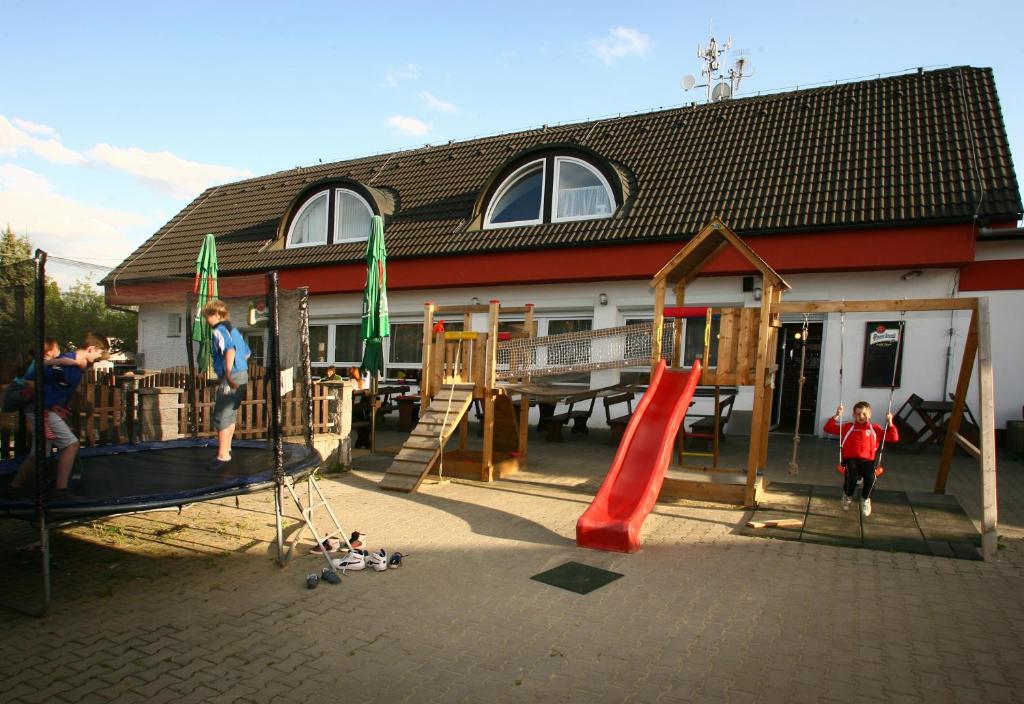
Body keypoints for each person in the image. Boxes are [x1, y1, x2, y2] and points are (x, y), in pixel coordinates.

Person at [5, 333, 110, 500]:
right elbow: (31, 379)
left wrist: (56, 406)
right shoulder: (64, 362)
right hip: (40, 410)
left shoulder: (77, 365)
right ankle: (61, 491)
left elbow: (55, 388)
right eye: (98, 354)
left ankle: (13, 487)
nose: (98, 359)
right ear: (91, 349)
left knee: (38, 453)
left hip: (46, 409)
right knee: (71, 445)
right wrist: (45, 405)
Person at [823, 401, 898, 517]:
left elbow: (894, 438)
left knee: (871, 477)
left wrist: (890, 422)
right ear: (854, 415)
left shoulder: (875, 429)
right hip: (850, 459)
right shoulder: (848, 427)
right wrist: (837, 415)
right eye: (858, 414)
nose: (861, 417)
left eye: (864, 414)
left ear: (870, 414)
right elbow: (828, 428)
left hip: (867, 461)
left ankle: (865, 499)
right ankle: (848, 496)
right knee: (852, 476)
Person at [204, 300, 250, 470]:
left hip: (232, 376)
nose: (206, 320)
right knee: (230, 413)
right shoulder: (234, 330)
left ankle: (223, 456)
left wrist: (229, 374)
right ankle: (227, 448)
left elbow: (230, 350)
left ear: (216, 314)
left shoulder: (219, 330)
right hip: (243, 374)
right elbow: (246, 353)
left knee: (221, 415)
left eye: (207, 316)